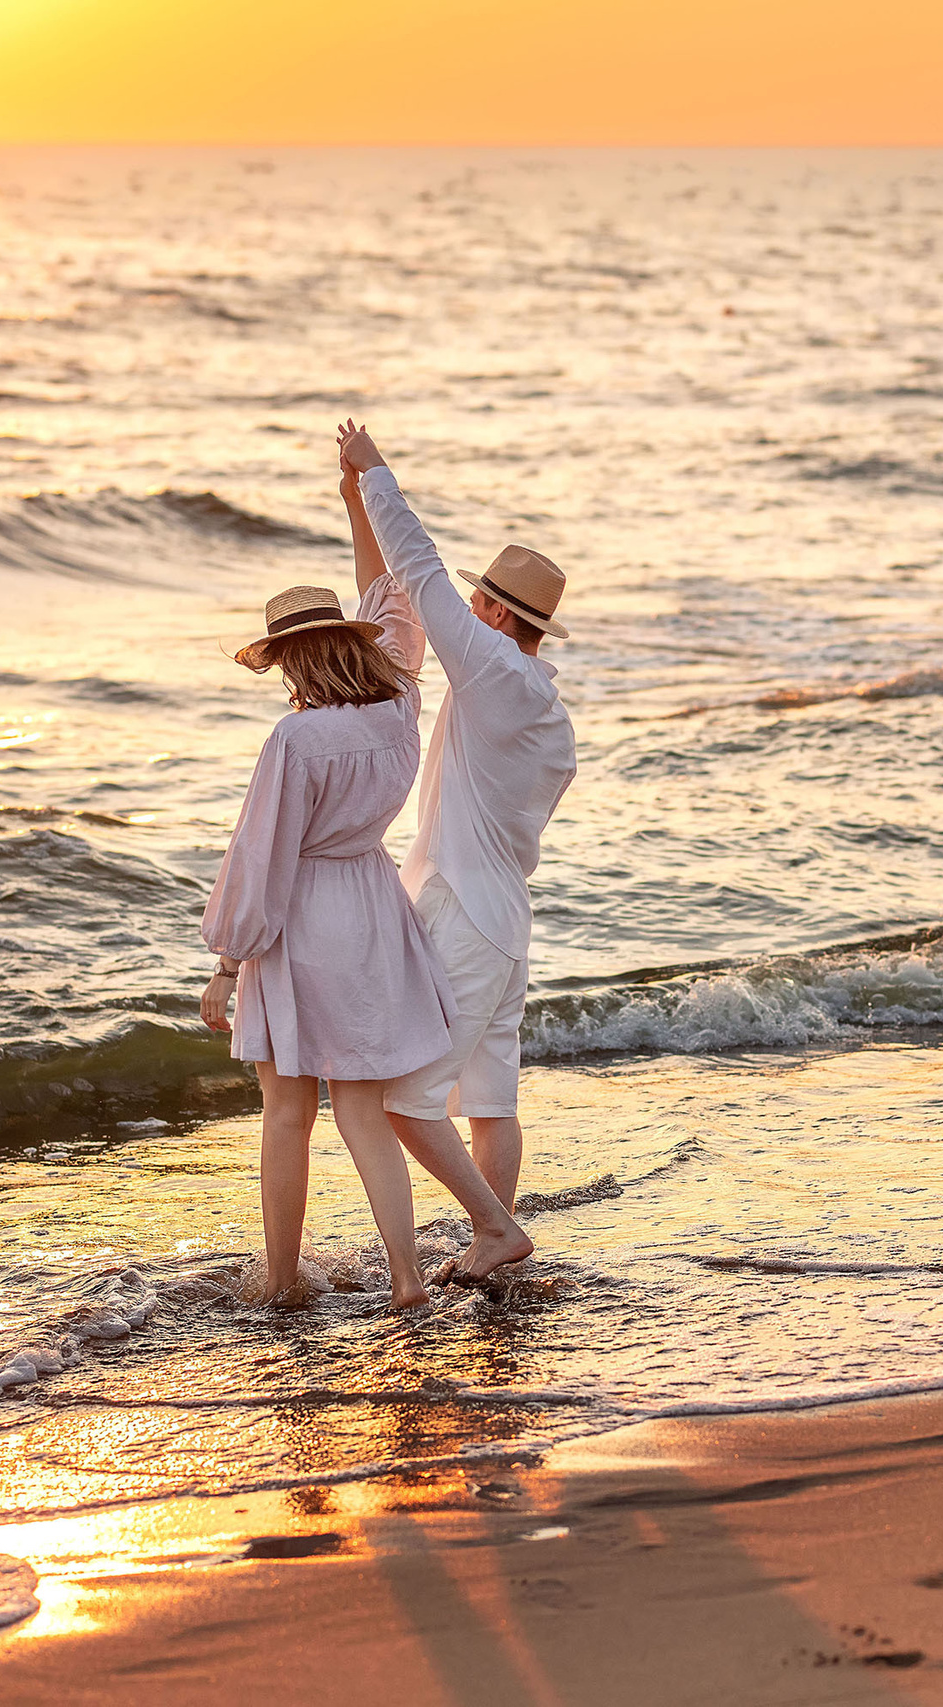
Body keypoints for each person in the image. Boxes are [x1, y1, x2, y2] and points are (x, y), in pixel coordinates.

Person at [198, 576, 531, 1308]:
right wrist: (360, 491)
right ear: (346, 643)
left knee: (287, 1111)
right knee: (362, 1112)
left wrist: (228, 961)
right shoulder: (400, 711)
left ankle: (281, 1281)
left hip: (305, 918)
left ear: (295, 658)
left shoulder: (296, 737)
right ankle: (407, 1279)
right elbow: (395, 608)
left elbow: (261, 854)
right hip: (375, 909)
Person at [336, 421, 577, 1276]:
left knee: (405, 1102)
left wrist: (374, 476)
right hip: (507, 919)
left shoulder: (495, 674)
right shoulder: (549, 716)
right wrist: (357, 500)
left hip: (467, 916)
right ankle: (492, 1245)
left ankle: (497, 1229)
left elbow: (421, 572)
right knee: (491, 1100)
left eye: (481, 604)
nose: (467, 610)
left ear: (497, 615)